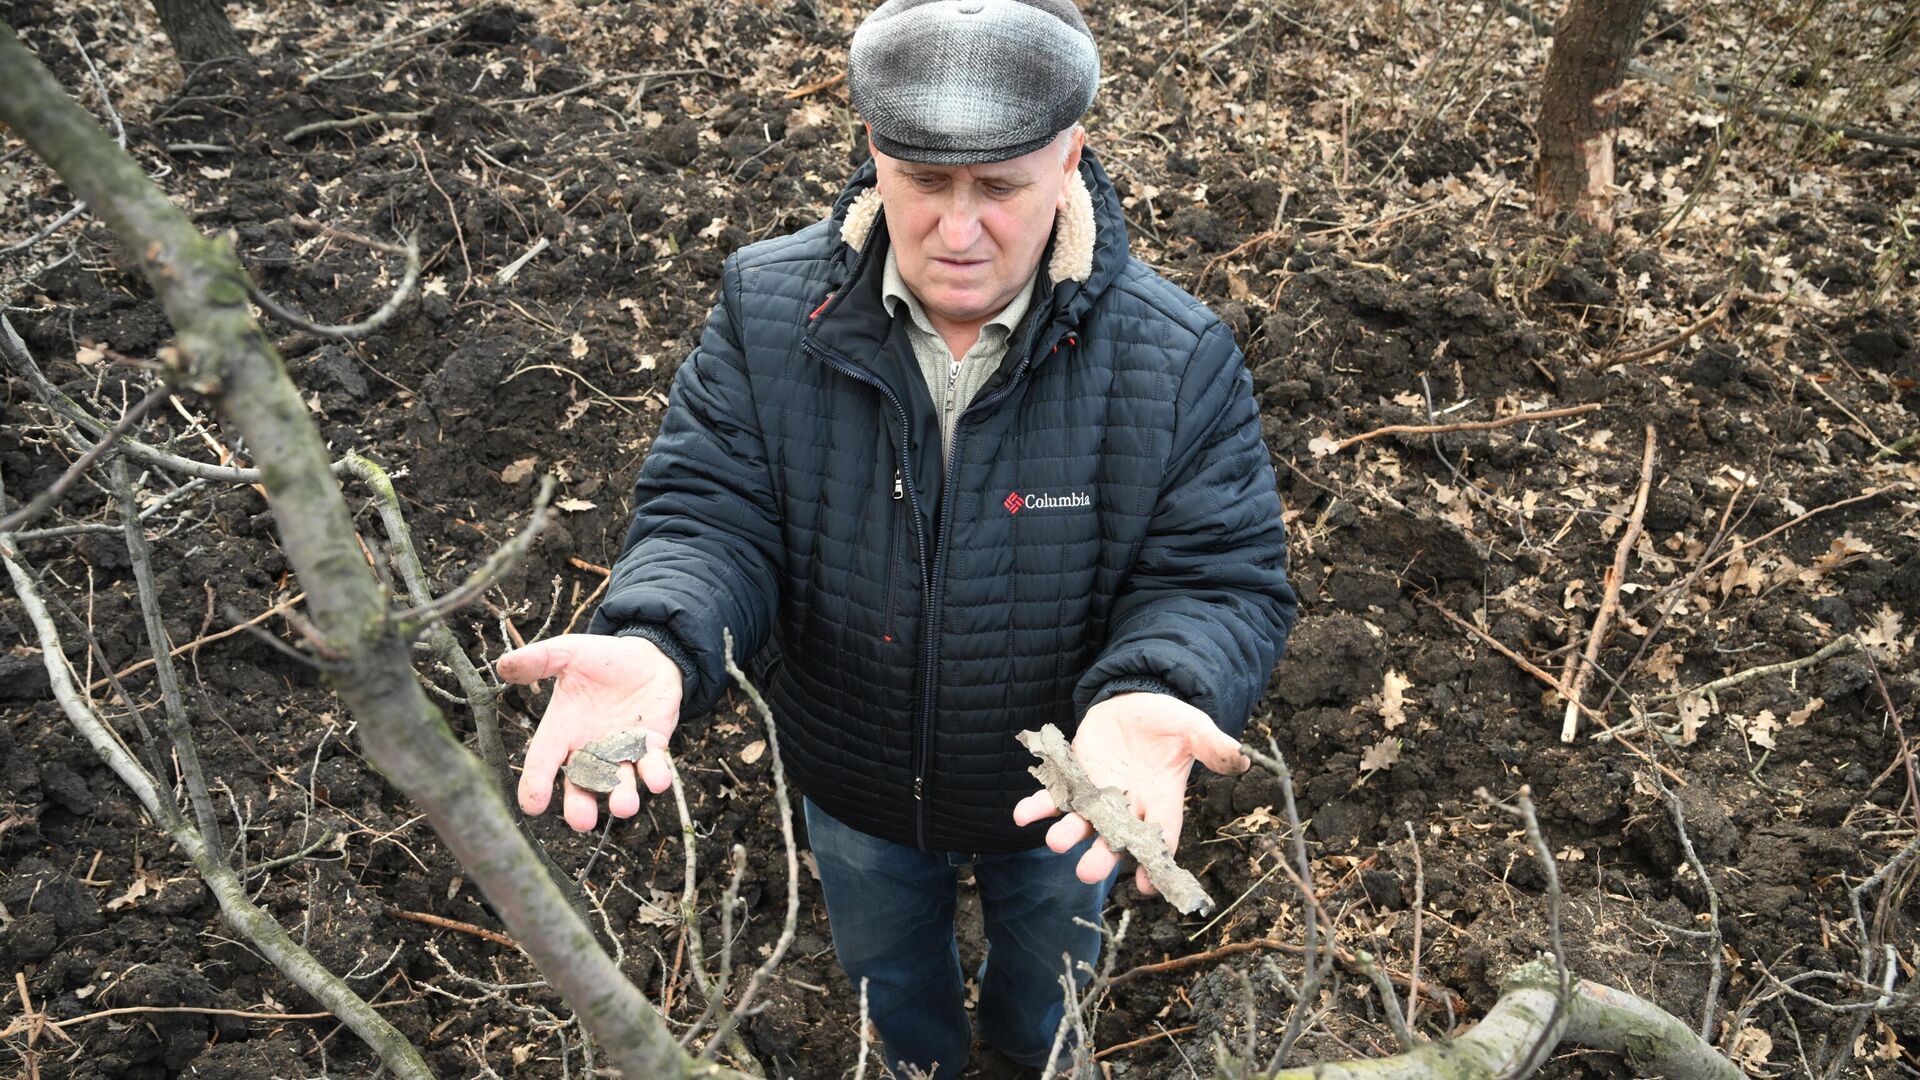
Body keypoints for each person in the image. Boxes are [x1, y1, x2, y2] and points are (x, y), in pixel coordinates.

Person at [496, 1, 1297, 1074]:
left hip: (1071, 798)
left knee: (1050, 983)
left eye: (1002, 189)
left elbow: (1217, 577)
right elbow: (712, 514)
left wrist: (1159, 688)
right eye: (923, 182)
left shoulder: (1176, 355)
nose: (956, 232)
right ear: (874, 151)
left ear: (1072, 156)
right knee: (888, 972)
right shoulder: (768, 309)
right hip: (857, 782)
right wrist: (657, 638)